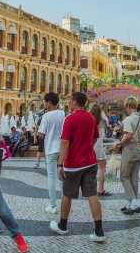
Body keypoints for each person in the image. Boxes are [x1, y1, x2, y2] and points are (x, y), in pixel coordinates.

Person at [49, 92, 105, 242]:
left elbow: (65, 143)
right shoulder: (91, 118)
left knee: (67, 195)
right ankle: (99, 232)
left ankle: (62, 225)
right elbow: (95, 137)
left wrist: (60, 164)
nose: (68, 103)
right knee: (92, 195)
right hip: (90, 162)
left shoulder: (70, 119)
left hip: (73, 165)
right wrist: (87, 148)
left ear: (74, 102)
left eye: (70, 101)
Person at [113, 97, 140, 215]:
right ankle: (131, 203)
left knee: (124, 176)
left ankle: (134, 202)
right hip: (138, 150)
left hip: (129, 150)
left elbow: (129, 134)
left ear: (127, 106)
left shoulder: (128, 119)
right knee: (133, 178)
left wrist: (119, 143)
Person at [38, 92, 66, 213]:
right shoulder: (62, 113)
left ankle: (53, 206)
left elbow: (41, 134)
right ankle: (65, 202)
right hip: (62, 148)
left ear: (49, 102)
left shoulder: (46, 116)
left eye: (45, 101)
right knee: (62, 176)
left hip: (50, 149)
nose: (44, 103)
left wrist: (38, 132)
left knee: (51, 177)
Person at [91, 104, 112, 197]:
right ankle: (100, 189)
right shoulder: (101, 120)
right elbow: (108, 123)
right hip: (98, 145)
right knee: (102, 167)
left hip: (90, 145)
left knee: (90, 168)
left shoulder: (89, 119)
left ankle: (88, 188)